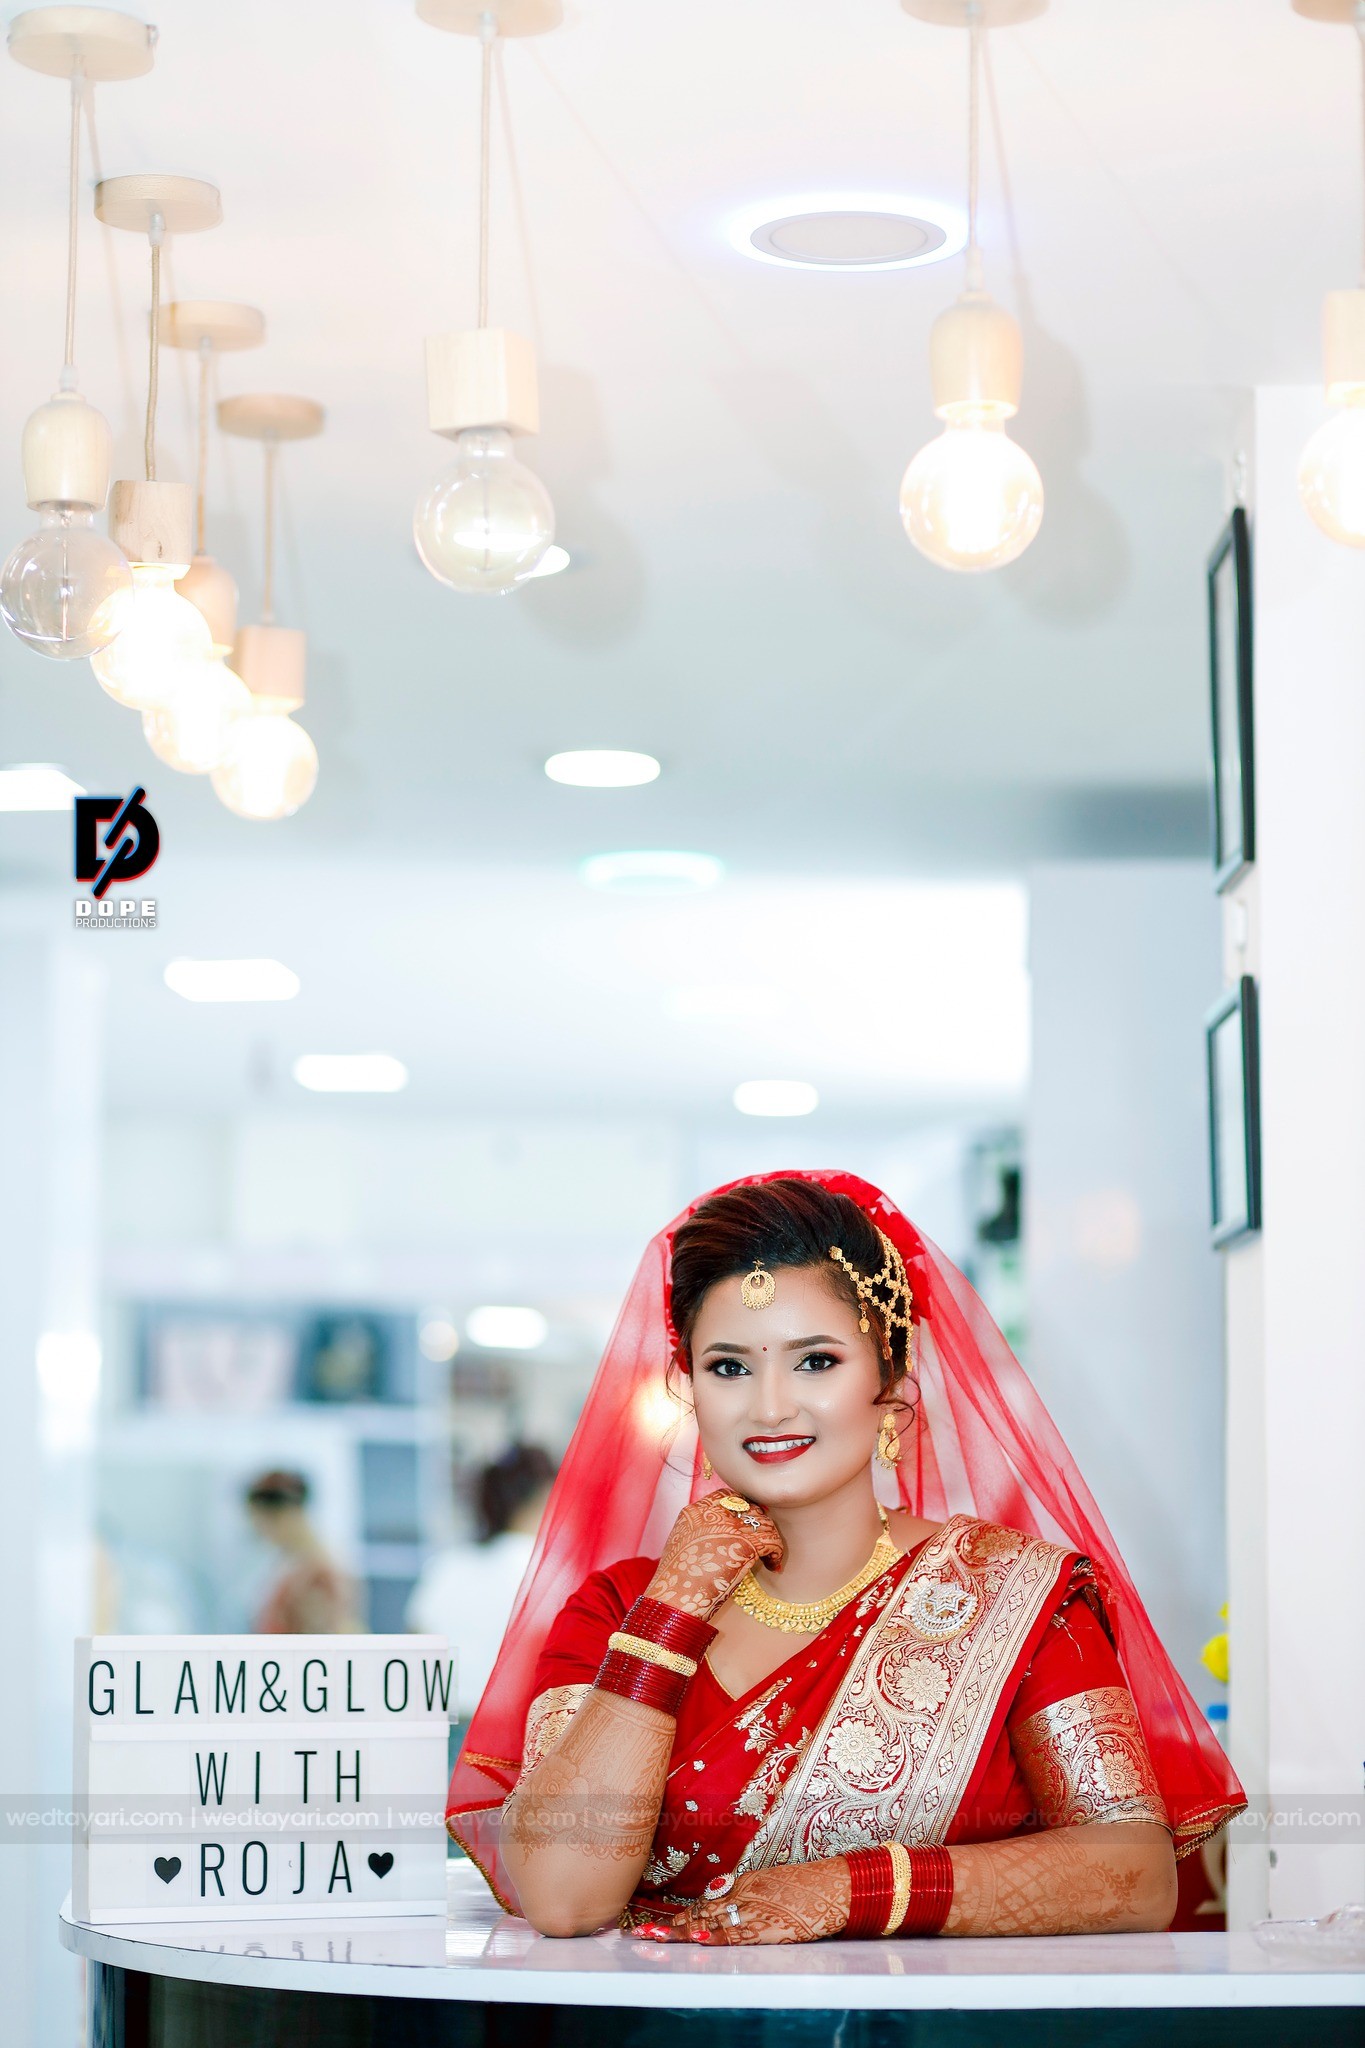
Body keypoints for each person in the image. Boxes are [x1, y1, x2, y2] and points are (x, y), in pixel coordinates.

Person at [447, 1174, 1245, 1944]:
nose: (770, 1406)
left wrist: (852, 1890)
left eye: (816, 1361)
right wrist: (671, 1613)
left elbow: (1134, 1872)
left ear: (889, 1379)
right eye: (729, 1367)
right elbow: (561, 1898)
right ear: (689, 1388)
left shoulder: (1015, 1596)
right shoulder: (620, 1610)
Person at [407, 1444, 556, 1719]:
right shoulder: (546, 1573)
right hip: (505, 1728)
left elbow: (415, 1645)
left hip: (437, 1721)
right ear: (545, 1496)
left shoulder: (448, 1565)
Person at [246, 1469, 363, 1635]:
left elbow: (320, 1637)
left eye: (260, 1522)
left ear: (283, 1514)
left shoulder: (318, 1572)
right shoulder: (290, 1562)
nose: (260, 1532)